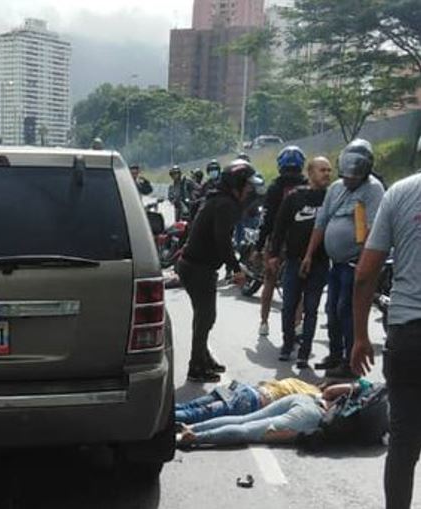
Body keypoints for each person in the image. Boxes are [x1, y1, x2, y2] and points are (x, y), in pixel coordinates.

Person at [351, 137, 421, 509]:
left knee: (404, 443)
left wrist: (360, 336)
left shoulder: (399, 193)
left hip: (408, 334)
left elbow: (365, 275)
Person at [303, 138, 384, 378]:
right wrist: (309, 254)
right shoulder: (336, 188)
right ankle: (335, 355)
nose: (348, 180)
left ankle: (351, 360)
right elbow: (321, 222)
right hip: (335, 263)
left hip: (355, 263)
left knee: (346, 310)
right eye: (346, 175)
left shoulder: (373, 189)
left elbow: (373, 229)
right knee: (331, 310)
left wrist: (364, 262)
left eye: (353, 177)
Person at [177, 159, 263, 382]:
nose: (250, 190)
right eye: (248, 186)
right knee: (205, 317)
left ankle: (203, 357)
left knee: (205, 316)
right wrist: (235, 269)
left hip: (196, 266)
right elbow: (222, 240)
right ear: (237, 185)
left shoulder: (219, 199)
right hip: (198, 268)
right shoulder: (225, 204)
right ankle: (196, 366)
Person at [269, 157, 332, 367]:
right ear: (311, 172)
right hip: (294, 261)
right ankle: (287, 345)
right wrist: (273, 255)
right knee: (288, 306)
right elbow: (279, 228)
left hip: (321, 263)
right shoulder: (294, 198)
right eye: (322, 170)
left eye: (329, 170)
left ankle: (305, 352)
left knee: (312, 308)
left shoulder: (331, 198)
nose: (326, 174)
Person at [255, 146, 307, 337]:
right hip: (300, 242)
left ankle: (264, 322)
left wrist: (259, 246)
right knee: (299, 284)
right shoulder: (307, 186)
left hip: (276, 242)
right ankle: (298, 322)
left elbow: (266, 219)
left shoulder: (275, 188)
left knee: (269, 281)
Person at [176, 377, 372, 425]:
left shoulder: (297, 383)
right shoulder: (313, 394)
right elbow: (331, 392)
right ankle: (148, 421)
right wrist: (359, 386)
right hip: (250, 400)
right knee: (192, 415)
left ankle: (150, 414)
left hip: (244, 390)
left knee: (188, 407)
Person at [177, 393, 325, 447]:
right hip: (314, 413)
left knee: (243, 419)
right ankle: (194, 437)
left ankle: (192, 427)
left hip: (304, 398)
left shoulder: (313, 390)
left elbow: (329, 391)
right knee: (247, 431)